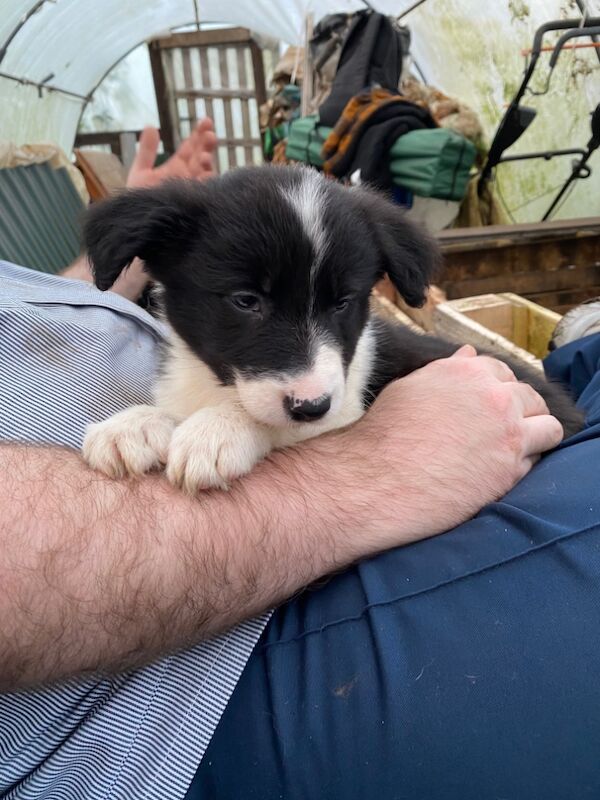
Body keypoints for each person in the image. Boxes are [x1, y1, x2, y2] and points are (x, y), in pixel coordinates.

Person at [0, 120, 592, 800]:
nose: (315, 379)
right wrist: (191, 420)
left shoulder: (326, 359)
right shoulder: (198, 308)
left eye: (341, 304)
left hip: (530, 439)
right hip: (218, 683)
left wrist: (225, 417)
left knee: (580, 385)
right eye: (249, 301)